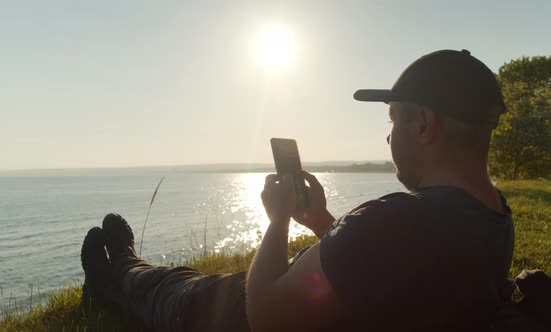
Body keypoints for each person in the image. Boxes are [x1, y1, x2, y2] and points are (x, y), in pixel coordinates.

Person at [81, 49, 514, 331]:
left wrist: (278, 221)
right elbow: (391, 267)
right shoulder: (493, 215)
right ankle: (123, 266)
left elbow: (265, 316)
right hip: (304, 295)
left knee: (165, 289)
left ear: (422, 124)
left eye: (392, 121)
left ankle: (117, 271)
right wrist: (322, 222)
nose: (388, 140)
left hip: (224, 315)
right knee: (191, 280)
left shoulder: (397, 217)